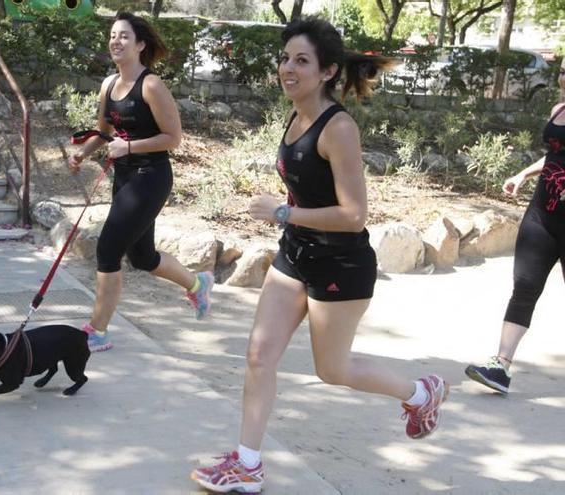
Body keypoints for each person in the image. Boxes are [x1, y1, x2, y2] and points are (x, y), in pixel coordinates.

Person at [190, 17, 449, 493]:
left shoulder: (339, 127)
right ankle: (248, 466)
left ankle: (420, 392)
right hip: (297, 255)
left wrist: (284, 212)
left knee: (332, 370)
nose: (288, 68)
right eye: (285, 58)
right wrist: (290, 217)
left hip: (340, 264)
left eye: (301, 61)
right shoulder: (296, 115)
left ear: (327, 71)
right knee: (258, 355)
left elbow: (354, 215)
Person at [68, 11, 213, 353]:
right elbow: (104, 132)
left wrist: (130, 146)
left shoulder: (151, 85)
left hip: (151, 176)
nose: (115, 41)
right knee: (143, 257)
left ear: (140, 45)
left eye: (124, 36)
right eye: (113, 35)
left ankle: (98, 331)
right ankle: (198, 283)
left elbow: (173, 138)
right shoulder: (108, 85)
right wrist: (83, 154)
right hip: (126, 176)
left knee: (108, 250)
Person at [464, 59, 565, 395]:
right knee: (524, 286)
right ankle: (501, 368)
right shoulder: (558, 109)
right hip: (541, 216)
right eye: (563, 71)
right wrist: (523, 174)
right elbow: (554, 157)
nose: (564, 78)